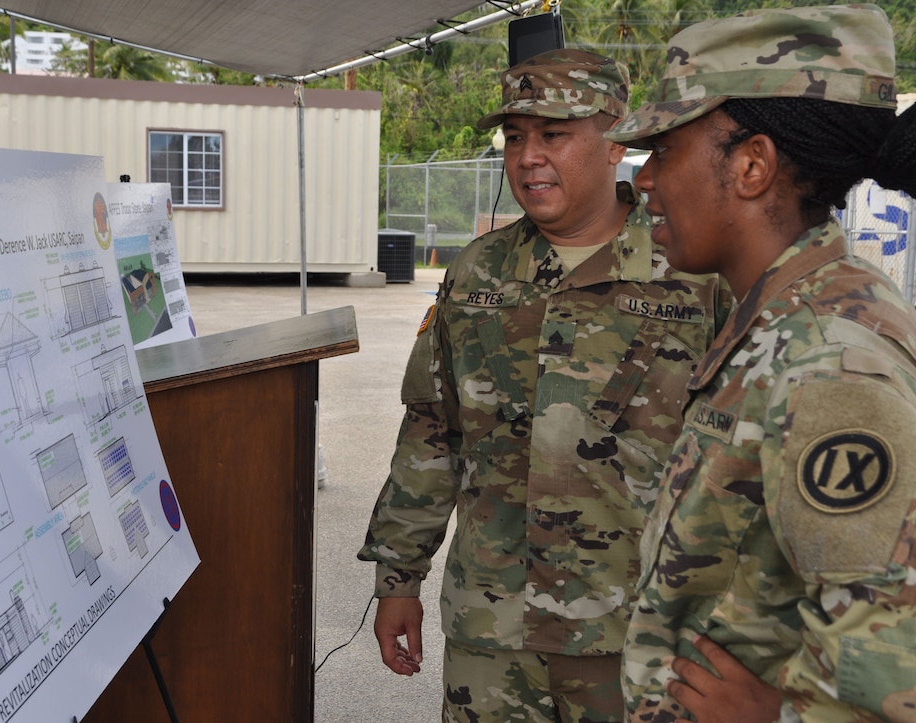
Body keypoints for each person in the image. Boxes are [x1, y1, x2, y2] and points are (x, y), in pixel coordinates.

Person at [358, 48, 728, 722]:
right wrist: (398, 575)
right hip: (493, 629)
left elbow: (739, 463)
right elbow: (431, 431)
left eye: (554, 135)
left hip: (638, 633)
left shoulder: (693, 277)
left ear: (615, 136)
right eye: (516, 137)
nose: (528, 157)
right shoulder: (477, 275)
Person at [604, 4, 916, 721]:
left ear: (751, 166)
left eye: (666, 150)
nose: (644, 180)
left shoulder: (829, 360)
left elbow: (894, 670)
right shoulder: (779, 318)